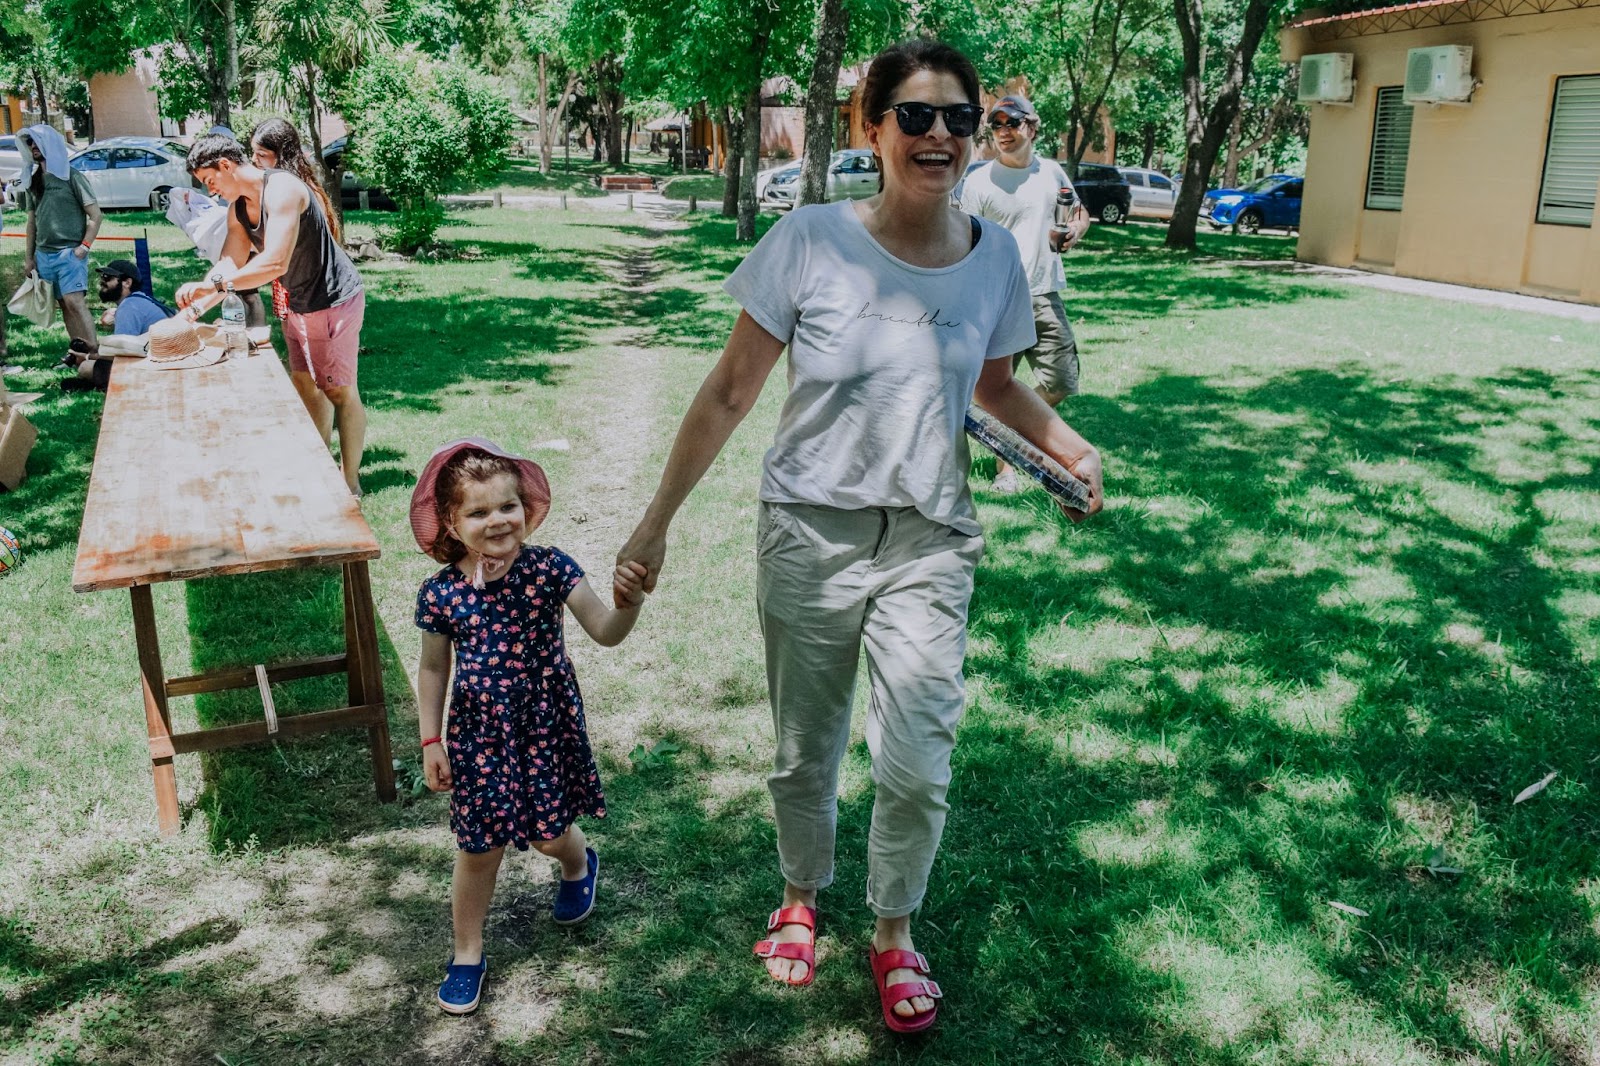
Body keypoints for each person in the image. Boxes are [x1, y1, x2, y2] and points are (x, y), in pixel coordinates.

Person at [616, 39, 1104, 1035]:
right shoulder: (809, 240)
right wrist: (655, 522)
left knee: (918, 757)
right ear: (872, 128)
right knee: (806, 747)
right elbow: (730, 391)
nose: (939, 136)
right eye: (915, 116)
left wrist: (1070, 447)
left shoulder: (995, 257)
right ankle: (799, 894)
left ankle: (892, 929)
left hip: (930, 538)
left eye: (959, 119)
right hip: (810, 531)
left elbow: (995, 385)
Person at [410, 438, 649, 1015]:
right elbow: (434, 668)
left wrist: (629, 602)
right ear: (451, 522)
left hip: (544, 728)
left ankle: (577, 861)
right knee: (479, 848)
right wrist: (431, 740)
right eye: (478, 511)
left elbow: (605, 630)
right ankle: (467, 954)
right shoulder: (441, 593)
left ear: (526, 508)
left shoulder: (550, 569)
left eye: (507, 506)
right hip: (478, 737)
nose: (497, 520)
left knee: (547, 833)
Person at [175, 134, 368, 495]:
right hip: (298, 304)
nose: (211, 191)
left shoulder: (283, 190)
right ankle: (320, 467)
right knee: (306, 385)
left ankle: (350, 483)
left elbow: (274, 262)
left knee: (339, 391)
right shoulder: (237, 209)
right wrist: (199, 301)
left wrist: (215, 287)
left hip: (333, 300)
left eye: (210, 180)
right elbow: (230, 263)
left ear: (226, 165)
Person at [958, 94, 1091, 494]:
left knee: (1062, 380)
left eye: (1011, 124)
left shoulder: (1051, 172)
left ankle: (1010, 427)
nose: (1003, 132)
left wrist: (1074, 230)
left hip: (1044, 293)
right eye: (996, 126)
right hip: (998, 300)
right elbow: (965, 241)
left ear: (1031, 128)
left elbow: (1078, 212)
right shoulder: (980, 181)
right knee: (999, 388)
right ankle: (1006, 469)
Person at [17, 125, 103, 360]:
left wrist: (84, 247)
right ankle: (77, 356)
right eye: (29, 143)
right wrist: (29, 258)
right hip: (44, 256)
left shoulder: (72, 176)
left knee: (75, 302)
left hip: (70, 254)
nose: (33, 147)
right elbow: (32, 222)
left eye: (36, 142)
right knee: (64, 305)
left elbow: (96, 215)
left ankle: (96, 357)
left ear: (50, 144)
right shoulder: (33, 181)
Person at [248, 118, 339, 327]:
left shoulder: (299, 190)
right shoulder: (275, 188)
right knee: (294, 340)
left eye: (261, 154)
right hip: (292, 284)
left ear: (283, 155)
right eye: (253, 152)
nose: (254, 159)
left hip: (315, 290)